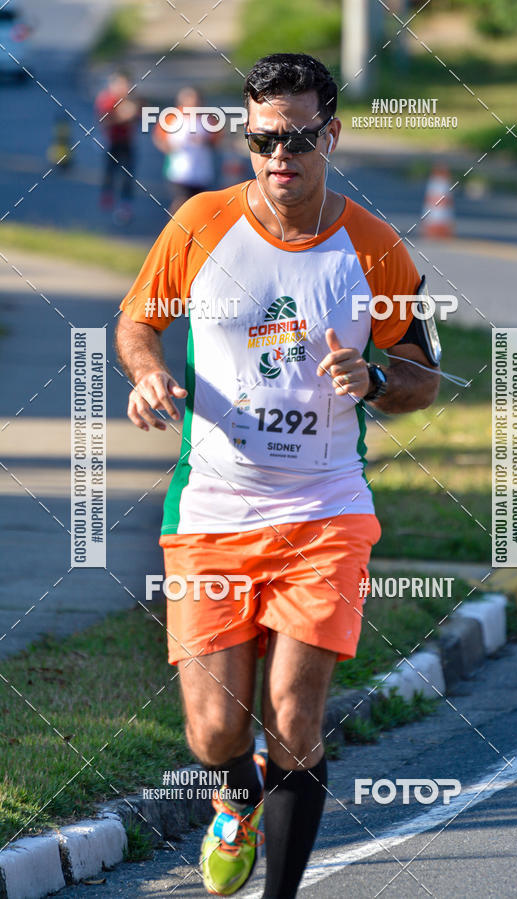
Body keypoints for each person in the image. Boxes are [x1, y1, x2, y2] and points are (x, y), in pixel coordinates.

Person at [115, 52, 440, 897]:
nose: (279, 157)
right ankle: (236, 791)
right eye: (262, 139)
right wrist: (147, 373)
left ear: (329, 133)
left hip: (325, 510)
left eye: (297, 137)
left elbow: (423, 376)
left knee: (295, 721)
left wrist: (375, 379)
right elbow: (137, 322)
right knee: (213, 731)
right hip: (213, 509)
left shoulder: (374, 249)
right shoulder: (198, 225)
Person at [152, 86, 221, 214]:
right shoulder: (172, 118)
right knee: (181, 202)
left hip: (201, 172)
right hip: (178, 171)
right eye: (189, 99)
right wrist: (169, 149)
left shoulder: (208, 120)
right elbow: (158, 137)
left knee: (198, 206)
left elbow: (216, 142)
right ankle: (174, 229)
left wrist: (204, 142)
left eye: (196, 100)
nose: (193, 103)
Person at [95, 71, 140, 224]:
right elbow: (105, 119)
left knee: (127, 174)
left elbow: (139, 115)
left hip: (127, 141)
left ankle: (125, 205)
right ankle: (107, 194)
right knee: (110, 171)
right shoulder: (107, 99)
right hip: (111, 141)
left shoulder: (131, 100)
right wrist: (122, 116)